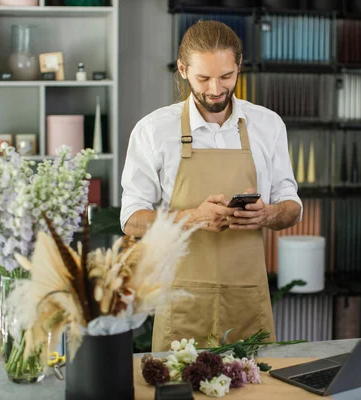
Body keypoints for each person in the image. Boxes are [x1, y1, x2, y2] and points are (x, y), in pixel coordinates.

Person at [120, 20, 302, 352]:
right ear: (182, 69)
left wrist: (269, 214)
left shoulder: (268, 124)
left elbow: (291, 207)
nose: (216, 89)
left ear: (239, 66)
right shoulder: (153, 130)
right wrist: (192, 218)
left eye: (226, 76)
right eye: (203, 78)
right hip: (182, 304)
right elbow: (132, 219)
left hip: (248, 303)